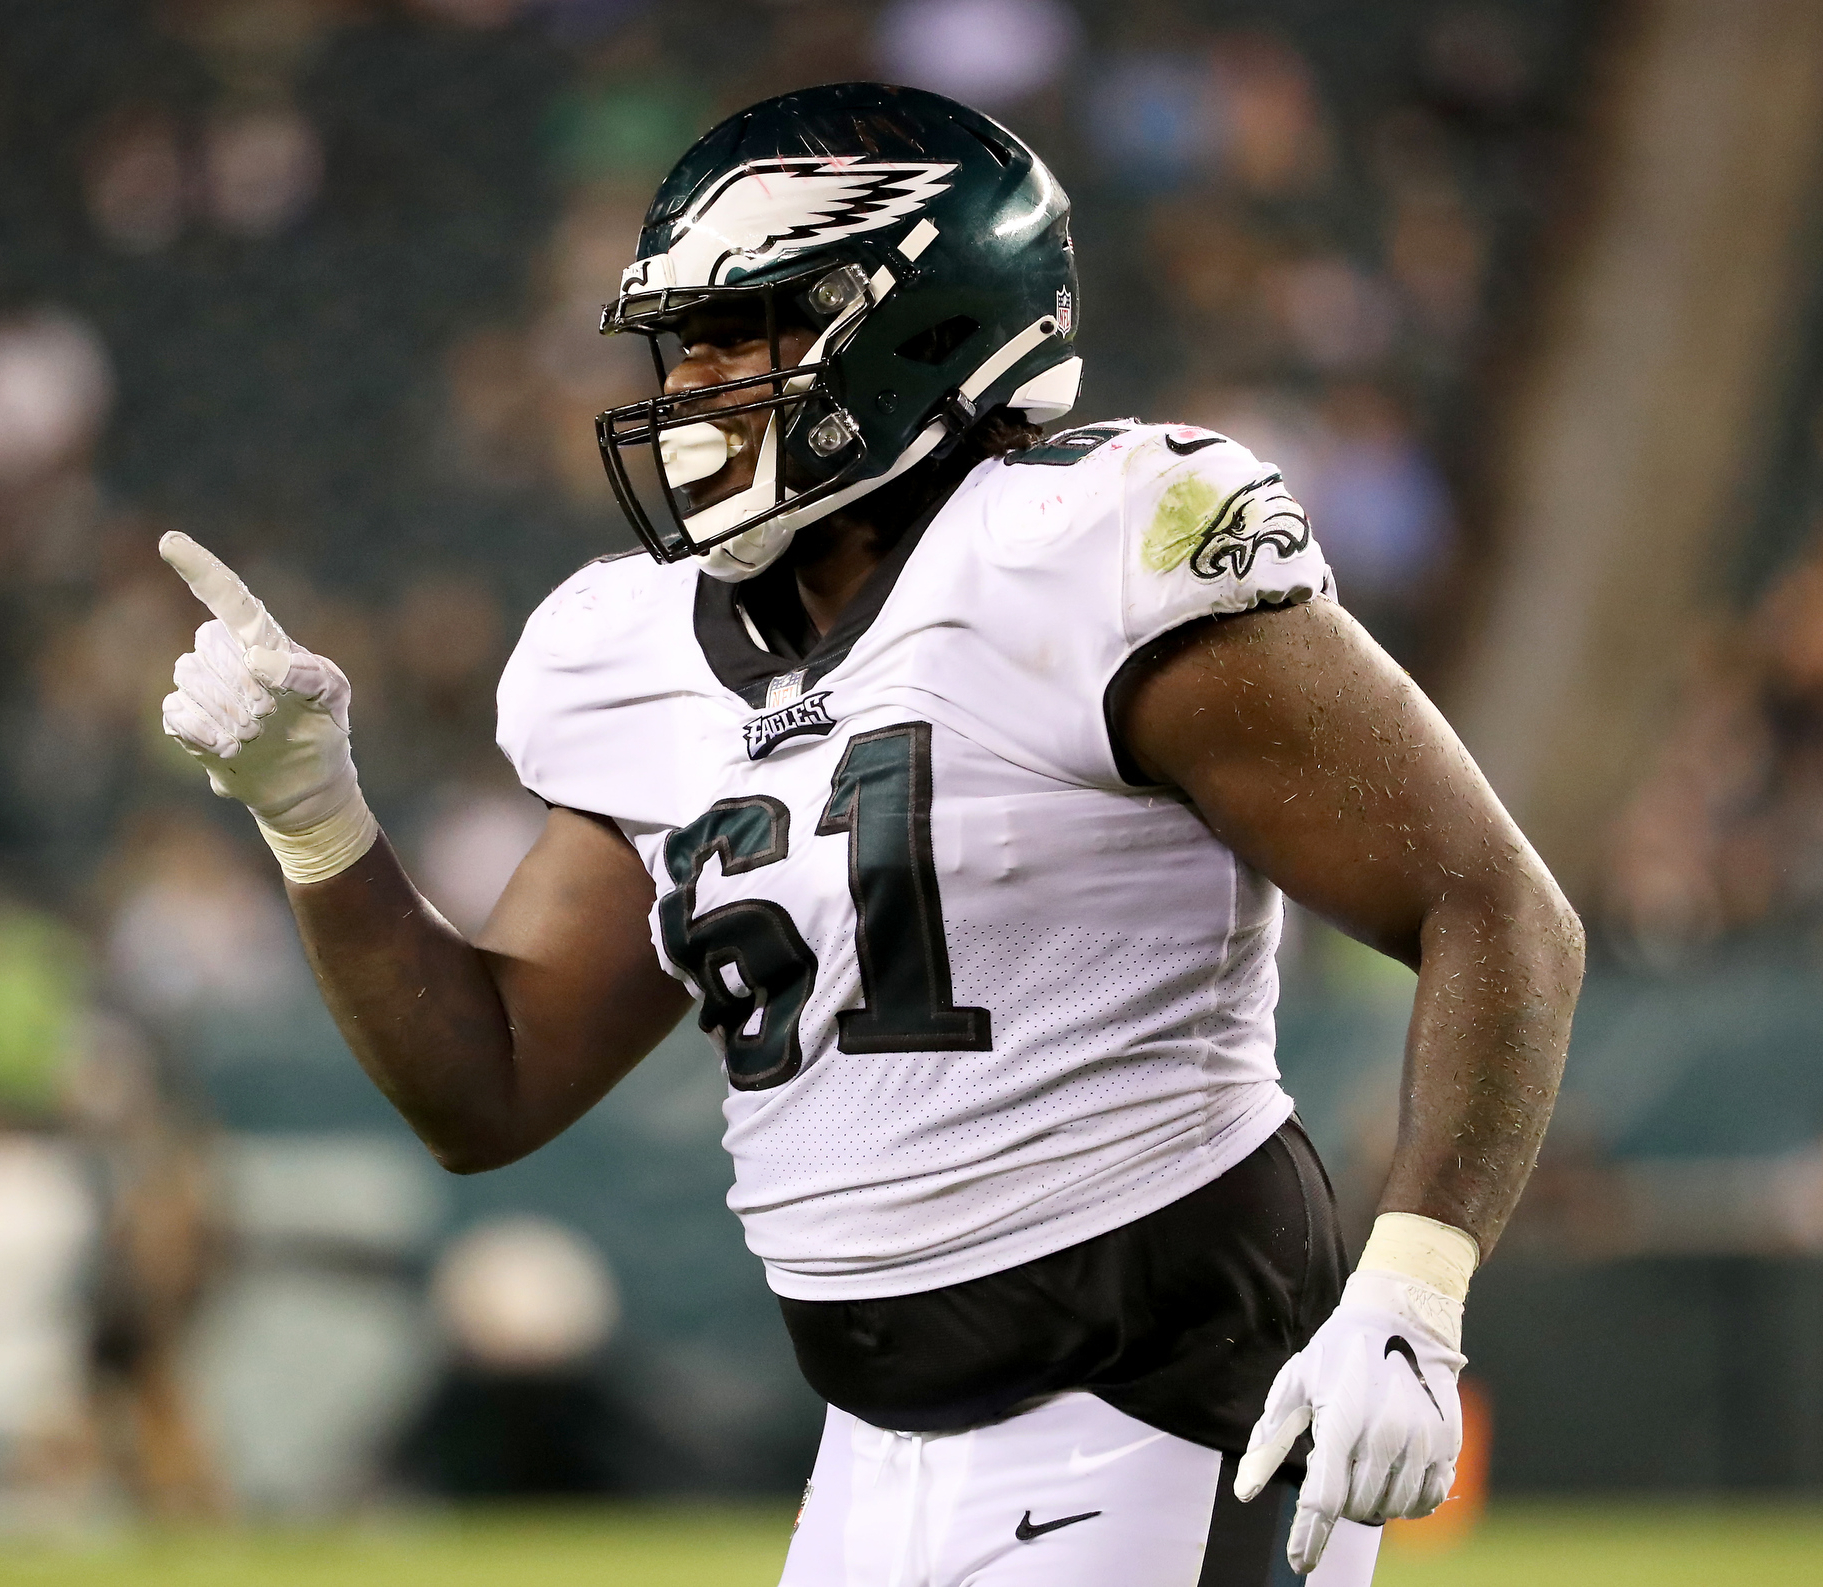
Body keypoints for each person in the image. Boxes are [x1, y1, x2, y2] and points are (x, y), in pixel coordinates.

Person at [158, 83, 1582, 1586]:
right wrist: (312, 813)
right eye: (679, 343)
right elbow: (487, 1088)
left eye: (738, 332)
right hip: (875, 1440)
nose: (691, 385)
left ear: (913, 321)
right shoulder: (629, 651)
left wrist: (1416, 1288)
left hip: (1160, 1399)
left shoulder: (1089, 548)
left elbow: (1493, 909)